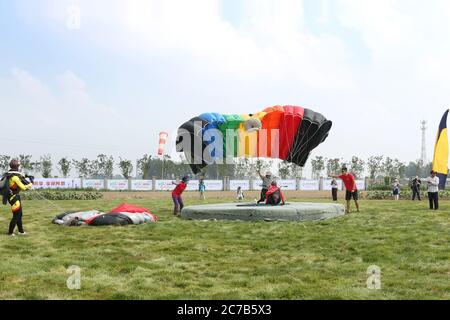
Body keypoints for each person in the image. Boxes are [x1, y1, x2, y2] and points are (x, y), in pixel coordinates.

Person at [2, 160, 33, 237]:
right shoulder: (14, 177)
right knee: (16, 215)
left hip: (13, 197)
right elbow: (23, 187)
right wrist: (31, 183)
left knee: (20, 214)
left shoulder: (9, 175)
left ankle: (21, 231)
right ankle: (10, 233)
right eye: (18, 166)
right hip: (14, 197)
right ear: (16, 167)